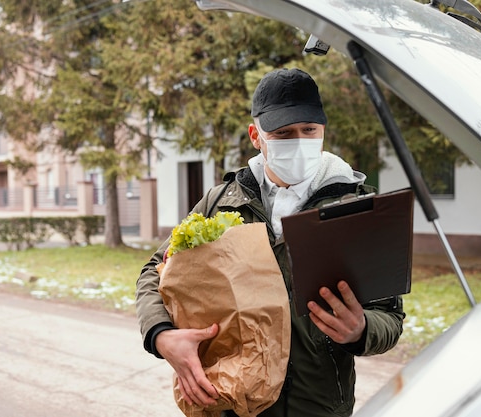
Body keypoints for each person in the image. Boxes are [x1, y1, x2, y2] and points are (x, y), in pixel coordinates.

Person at [136, 68, 405, 417]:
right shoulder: (221, 203)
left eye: (309, 130)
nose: (299, 141)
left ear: (323, 130)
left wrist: (361, 329)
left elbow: (390, 316)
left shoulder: (357, 209)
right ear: (256, 136)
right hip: (233, 401)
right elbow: (154, 272)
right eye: (282, 133)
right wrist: (161, 335)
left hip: (318, 408)